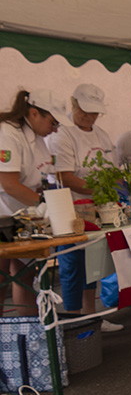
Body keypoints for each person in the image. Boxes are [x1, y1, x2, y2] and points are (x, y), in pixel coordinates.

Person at [47, 83, 123, 331]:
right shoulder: (62, 134)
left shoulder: (101, 135)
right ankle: (74, 321)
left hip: (97, 207)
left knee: (91, 263)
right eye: (84, 111)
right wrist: (101, 190)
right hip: (69, 209)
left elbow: (112, 171)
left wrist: (117, 191)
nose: (89, 116)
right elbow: (65, 176)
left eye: (94, 112)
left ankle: (92, 318)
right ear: (74, 105)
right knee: (72, 265)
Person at [0, 89, 71, 316]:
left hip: (21, 213)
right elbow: (10, 184)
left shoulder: (40, 140)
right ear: (33, 114)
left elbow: (39, 181)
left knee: (25, 275)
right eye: (53, 122)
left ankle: (28, 334)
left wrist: (50, 201)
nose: (55, 129)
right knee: (1, 278)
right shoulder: (8, 134)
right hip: (3, 211)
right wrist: (47, 205)